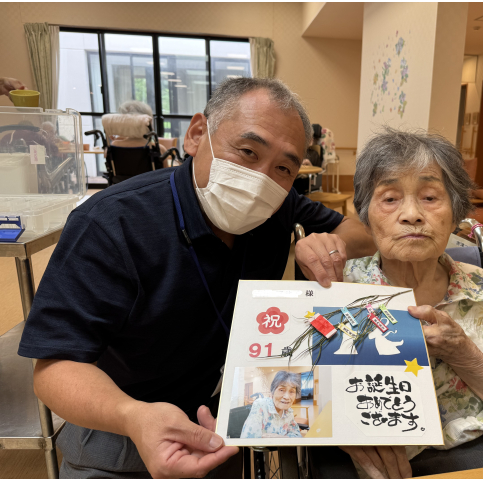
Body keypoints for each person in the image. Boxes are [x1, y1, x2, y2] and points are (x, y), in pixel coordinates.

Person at [18, 77, 375, 478]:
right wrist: (132, 416)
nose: (260, 179)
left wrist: (328, 243)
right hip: (121, 424)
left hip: (225, 421)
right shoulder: (111, 223)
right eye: (247, 151)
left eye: (283, 168)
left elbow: (361, 234)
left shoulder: (279, 205)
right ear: (197, 135)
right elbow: (54, 367)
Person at [317, 128, 483, 479]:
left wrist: (463, 352)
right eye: (390, 199)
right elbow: (296, 397)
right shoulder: (339, 289)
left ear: (455, 213)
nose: (412, 214)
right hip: (379, 460)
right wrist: (343, 431)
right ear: (367, 217)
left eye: (430, 197)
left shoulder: (482, 290)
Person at [240, 371, 302, 438]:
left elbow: (297, 435)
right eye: (281, 390)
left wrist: (280, 438)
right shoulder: (260, 405)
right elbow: (248, 439)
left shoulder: (288, 411)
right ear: (272, 391)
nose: (287, 397)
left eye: (292, 391)